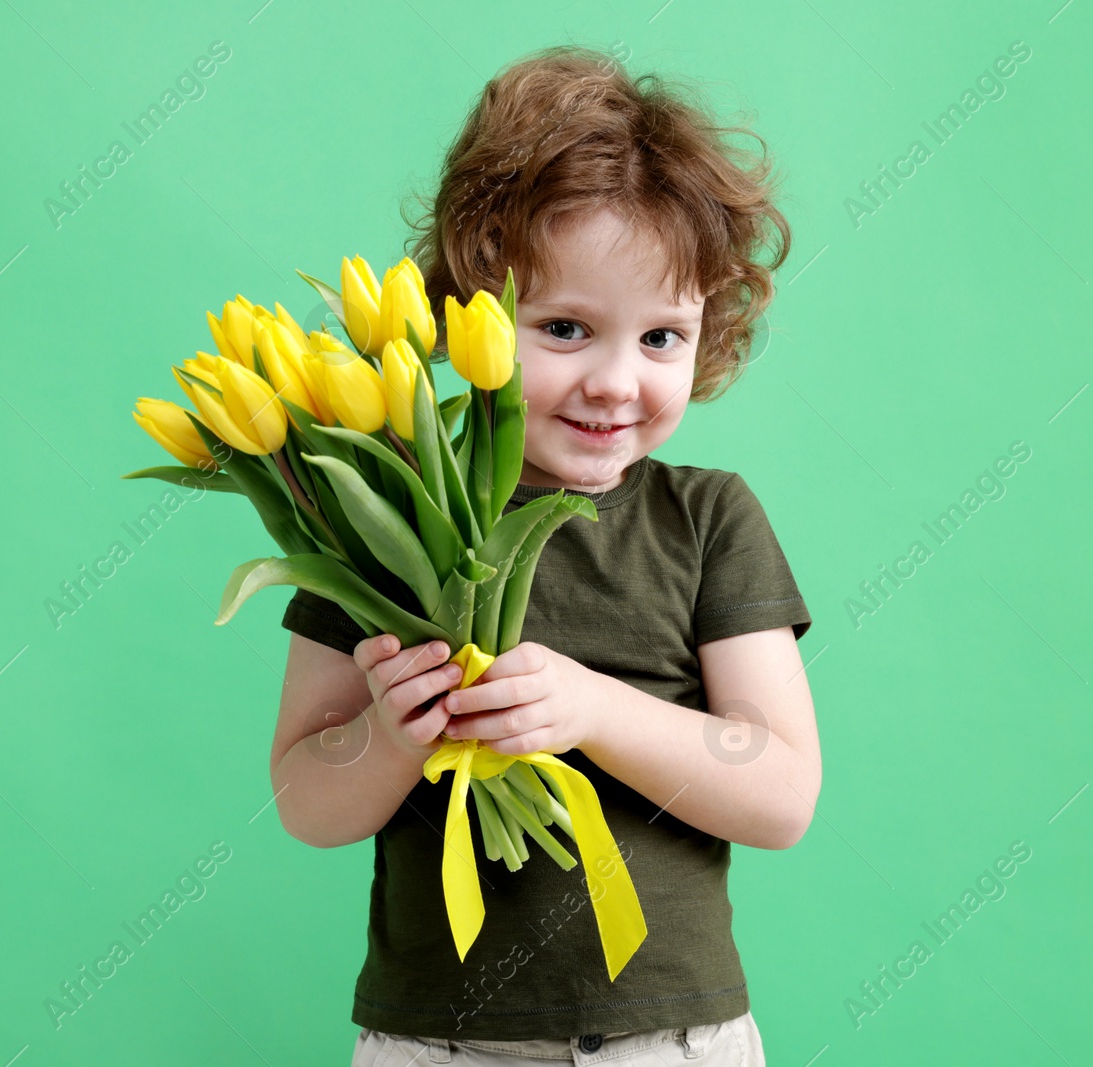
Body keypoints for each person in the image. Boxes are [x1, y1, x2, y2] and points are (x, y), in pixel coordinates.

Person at [271, 44, 819, 1067]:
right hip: (434, 1039)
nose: (617, 381)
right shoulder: (379, 505)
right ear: (465, 312)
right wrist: (392, 735)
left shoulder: (709, 519)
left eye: (662, 336)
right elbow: (303, 795)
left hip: (669, 1037)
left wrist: (595, 708)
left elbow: (781, 792)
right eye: (566, 327)